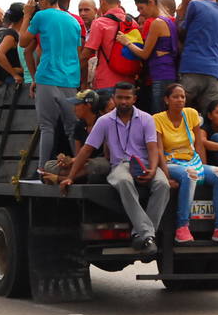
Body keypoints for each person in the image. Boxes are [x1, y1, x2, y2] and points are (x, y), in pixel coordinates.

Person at [61, 82, 169, 256]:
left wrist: (153, 169)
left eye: (127, 97)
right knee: (124, 181)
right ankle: (148, 235)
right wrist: (71, 177)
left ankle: (139, 233)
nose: (123, 101)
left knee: (163, 184)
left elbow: (152, 148)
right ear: (113, 98)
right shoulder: (104, 121)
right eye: (119, 97)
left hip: (145, 164)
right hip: (120, 165)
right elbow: (86, 150)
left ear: (134, 99)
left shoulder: (146, 118)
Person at [153, 84, 218, 243]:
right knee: (189, 175)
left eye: (182, 96)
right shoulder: (157, 119)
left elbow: (199, 145)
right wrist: (167, 177)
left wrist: (203, 167)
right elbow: (159, 150)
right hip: (170, 163)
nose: (180, 100)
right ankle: (182, 227)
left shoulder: (191, 114)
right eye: (175, 96)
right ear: (166, 100)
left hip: (191, 161)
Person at [19, 0, 81, 173]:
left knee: (47, 127)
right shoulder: (74, 21)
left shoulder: (41, 15)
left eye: (38, 2)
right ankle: (77, 169)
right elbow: (77, 51)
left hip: (47, 75)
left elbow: (22, 41)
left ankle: (42, 170)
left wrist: (27, 14)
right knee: (72, 128)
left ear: (44, 0)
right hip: (71, 78)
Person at [116, 0, 178, 113]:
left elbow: (144, 54)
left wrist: (126, 42)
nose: (141, 13)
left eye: (141, 8)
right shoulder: (169, 20)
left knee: (158, 116)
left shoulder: (157, 23)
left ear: (151, 2)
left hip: (160, 74)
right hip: (168, 72)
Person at [40, 89, 111, 184]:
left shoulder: (102, 122)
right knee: (49, 165)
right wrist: (67, 160)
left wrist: (78, 161)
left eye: (77, 105)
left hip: (99, 163)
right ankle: (70, 176)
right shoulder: (79, 126)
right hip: (82, 163)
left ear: (88, 105)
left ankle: (61, 178)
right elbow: (78, 155)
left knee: (96, 165)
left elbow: (107, 156)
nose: (74, 109)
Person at [80, 0, 138, 93]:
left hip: (106, 83)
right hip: (129, 85)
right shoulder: (133, 23)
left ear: (102, 1)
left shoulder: (100, 23)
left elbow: (87, 53)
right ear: (118, 2)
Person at [0, 3, 25, 86]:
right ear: (23, 18)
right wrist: (14, 74)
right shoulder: (12, 34)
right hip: (12, 80)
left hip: (5, 79)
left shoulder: (1, 32)